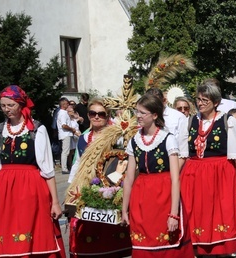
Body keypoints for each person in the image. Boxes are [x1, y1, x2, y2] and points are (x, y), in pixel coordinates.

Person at [180, 82, 236, 257]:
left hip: (220, 177)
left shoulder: (228, 121)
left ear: (215, 102)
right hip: (193, 177)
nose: (200, 103)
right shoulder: (190, 121)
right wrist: (172, 179)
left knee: (220, 216)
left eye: (205, 100)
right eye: (198, 99)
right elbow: (182, 155)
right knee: (195, 217)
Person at [0, 85, 65, 257]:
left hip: (31, 190)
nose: (6, 109)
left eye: (10, 105)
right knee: (5, 235)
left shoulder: (36, 129)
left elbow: (48, 169)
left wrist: (54, 202)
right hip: (3, 192)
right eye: (3, 106)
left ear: (20, 104)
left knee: (30, 232)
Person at [122, 94, 194, 257]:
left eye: (142, 113)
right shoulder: (135, 140)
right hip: (141, 198)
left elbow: (175, 179)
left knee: (167, 246)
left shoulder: (167, 139)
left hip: (164, 196)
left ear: (155, 115)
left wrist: (174, 214)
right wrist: (124, 209)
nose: (138, 116)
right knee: (142, 244)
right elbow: (129, 178)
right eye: (137, 112)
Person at [67, 98, 131, 257]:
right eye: (92, 113)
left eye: (101, 114)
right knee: (87, 236)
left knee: (111, 239)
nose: (96, 117)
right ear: (88, 115)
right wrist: (71, 190)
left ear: (107, 116)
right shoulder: (83, 137)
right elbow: (77, 163)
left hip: (110, 187)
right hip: (87, 187)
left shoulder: (117, 136)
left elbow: (126, 156)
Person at [145, 88, 188, 167]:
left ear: (164, 101)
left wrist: (173, 175)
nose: (153, 107)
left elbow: (183, 152)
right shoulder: (144, 118)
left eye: (156, 104)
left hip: (171, 167)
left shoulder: (178, 117)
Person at [57, 97, 76, 174]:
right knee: (65, 151)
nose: (68, 105)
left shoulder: (63, 113)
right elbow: (64, 125)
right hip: (65, 134)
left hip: (66, 134)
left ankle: (67, 166)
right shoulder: (63, 113)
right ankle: (64, 168)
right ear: (63, 104)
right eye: (67, 103)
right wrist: (72, 129)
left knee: (67, 151)